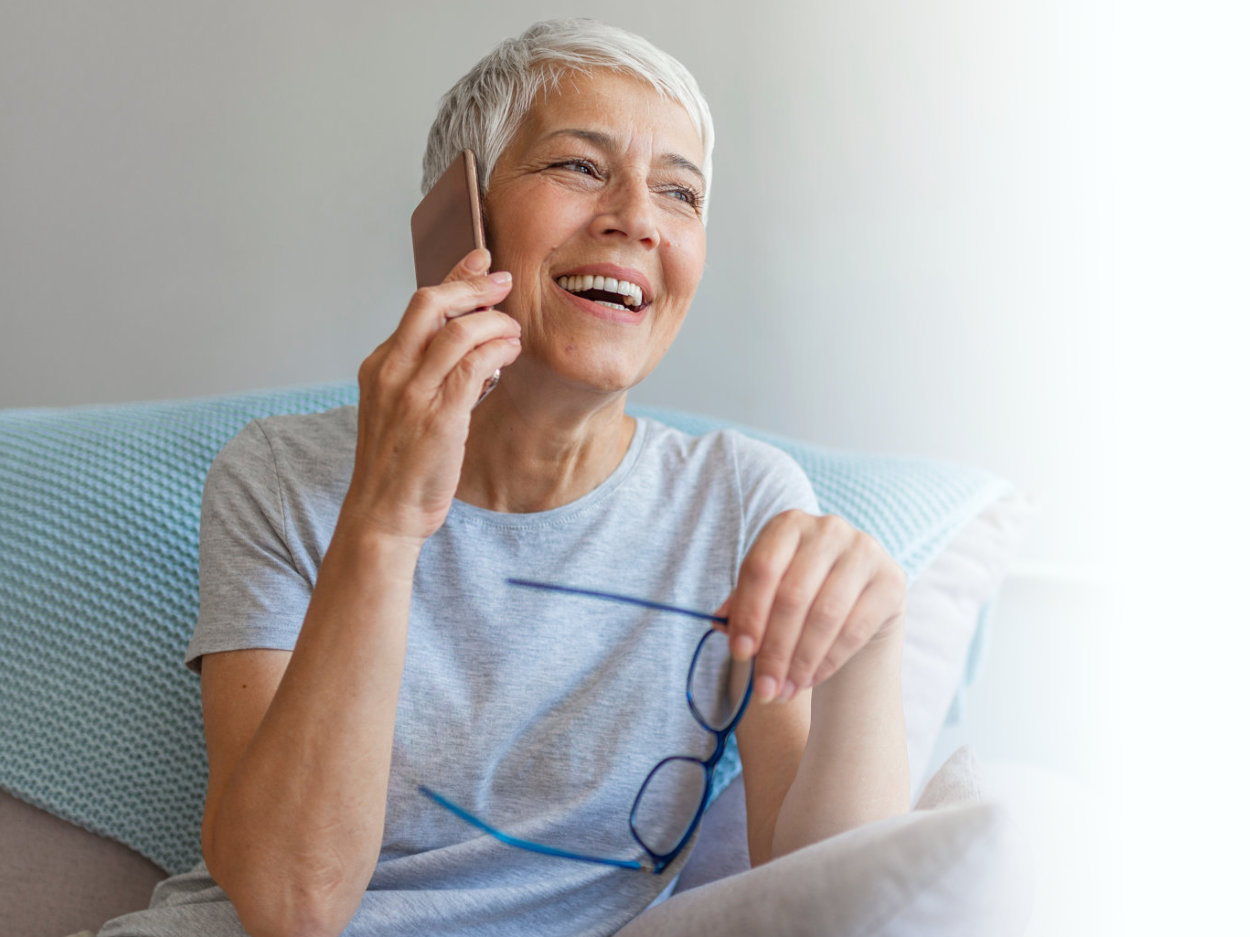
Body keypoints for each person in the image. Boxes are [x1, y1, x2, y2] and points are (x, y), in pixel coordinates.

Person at [99, 18, 912, 937]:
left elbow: (833, 897)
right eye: (578, 167)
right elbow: (293, 901)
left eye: (679, 193)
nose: (637, 219)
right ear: (463, 216)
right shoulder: (280, 475)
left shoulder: (739, 502)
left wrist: (868, 654)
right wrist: (384, 520)